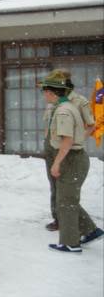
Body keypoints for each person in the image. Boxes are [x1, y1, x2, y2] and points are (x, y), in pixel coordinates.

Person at [39, 71, 103, 253]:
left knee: (66, 199)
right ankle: (89, 230)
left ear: (54, 90)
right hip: (60, 150)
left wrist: (60, 159)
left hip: (69, 154)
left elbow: (72, 136)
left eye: (46, 90)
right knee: (63, 196)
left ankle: (70, 241)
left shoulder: (69, 107)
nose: (44, 94)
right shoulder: (60, 105)